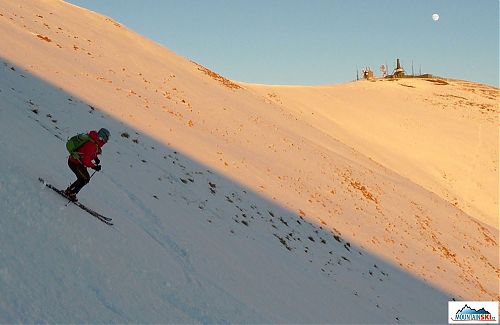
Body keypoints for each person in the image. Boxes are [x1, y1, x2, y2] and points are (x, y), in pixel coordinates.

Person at [64, 128, 110, 201]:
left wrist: (95, 158)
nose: (106, 141)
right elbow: (86, 160)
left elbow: (88, 152)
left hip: (76, 162)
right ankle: (71, 193)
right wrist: (94, 167)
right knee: (85, 179)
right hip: (75, 163)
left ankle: (69, 191)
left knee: (83, 178)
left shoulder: (94, 141)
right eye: (106, 139)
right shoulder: (92, 144)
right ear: (102, 137)